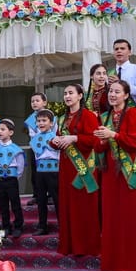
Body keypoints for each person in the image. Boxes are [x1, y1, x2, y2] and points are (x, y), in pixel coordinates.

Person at [95, 80, 136, 271]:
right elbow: (99, 147)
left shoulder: (133, 113)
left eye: (117, 92)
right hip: (110, 172)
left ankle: (131, 264)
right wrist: (101, 140)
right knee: (111, 216)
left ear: (126, 95)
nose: (113, 95)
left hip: (128, 169)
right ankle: (112, 263)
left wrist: (113, 135)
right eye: (111, 92)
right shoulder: (106, 115)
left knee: (128, 216)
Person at [51, 84, 100, 257]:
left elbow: (95, 139)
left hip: (83, 167)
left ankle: (87, 246)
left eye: (71, 93)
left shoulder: (88, 116)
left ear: (80, 96)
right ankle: (70, 245)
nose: (67, 96)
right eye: (65, 93)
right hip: (66, 167)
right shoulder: (63, 118)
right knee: (68, 206)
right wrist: (56, 141)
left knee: (84, 206)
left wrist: (75, 138)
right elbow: (58, 138)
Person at [0, 119, 25, 238]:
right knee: (3, 204)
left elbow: (20, 166)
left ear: (10, 132)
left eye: (3, 129)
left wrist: (14, 177)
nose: (0, 132)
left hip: (11, 179)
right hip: (0, 179)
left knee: (15, 203)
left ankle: (18, 226)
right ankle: (6, 226)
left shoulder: (16, 149)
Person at [29, 110, 59, 235]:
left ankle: (62, 225)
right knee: (41, 199)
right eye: (39, 121)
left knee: (57, 199)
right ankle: (42, 226)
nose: (41, 123)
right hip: (40, 171)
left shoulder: (56, 138)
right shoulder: (35, 139)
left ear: (51, 123)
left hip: (53, 171)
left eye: (44, 121)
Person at [111, 38, 136, 102]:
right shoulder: (109, 72)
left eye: (122, 48)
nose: (119, 51)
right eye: (116, 49)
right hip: (115, 109)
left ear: (130, 52)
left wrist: (121, 84)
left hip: (133, 108)